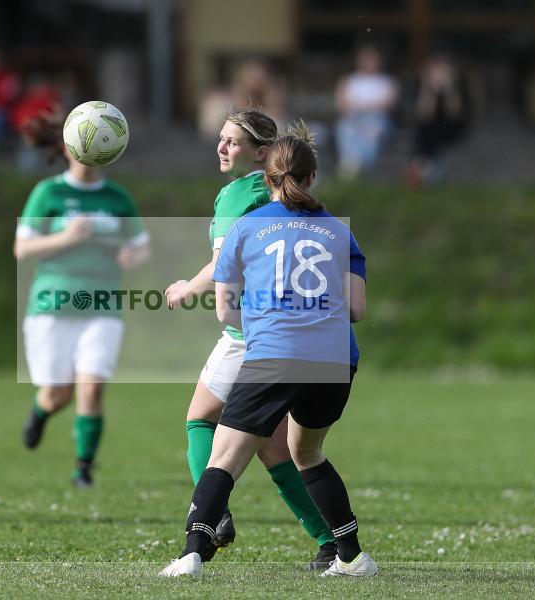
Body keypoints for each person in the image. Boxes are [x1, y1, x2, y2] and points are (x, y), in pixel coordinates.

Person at [161, 124, 375, 577]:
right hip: (336, 361)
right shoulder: (340, 231)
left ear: (269, 177)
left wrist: (270, 324)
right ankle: (351, 556)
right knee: (306, 453)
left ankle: (191, 554)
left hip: (273, 355)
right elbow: (356, 310)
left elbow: (225, 309)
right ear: (312, 177)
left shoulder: (246, 226)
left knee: (224, 457)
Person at [14, 112, 150, 488]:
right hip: (51, 305)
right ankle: (41, 412)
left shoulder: (117, 198)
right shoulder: (49, 193)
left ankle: (83, 470)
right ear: (66, 147)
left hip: (102, 305)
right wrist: (66, 237)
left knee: (91, 387)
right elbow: (22, 249)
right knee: (58, 394)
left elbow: (141, 248)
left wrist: (131, 257)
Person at [406, 51, 471, 186]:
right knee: (428, 127)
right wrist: (428, 87)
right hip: (429, 130)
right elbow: (423, 113)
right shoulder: (421, 85)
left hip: (451, 128)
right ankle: (425, 170)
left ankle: (420, 168)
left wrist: (450, 88)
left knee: (433, 130)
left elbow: (455, 113)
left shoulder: (459, 85)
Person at [333, 45, 399, 178]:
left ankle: (359, 165)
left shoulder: (387, 81)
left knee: (372, 133)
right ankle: (351, 162)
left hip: (376, 119)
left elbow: (390, 104)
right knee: (345, 129)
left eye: (372, 58)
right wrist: (362, 108)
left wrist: (363, 107)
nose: (368, 62)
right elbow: (340, 103)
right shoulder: (348, 80)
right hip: (353, 119)